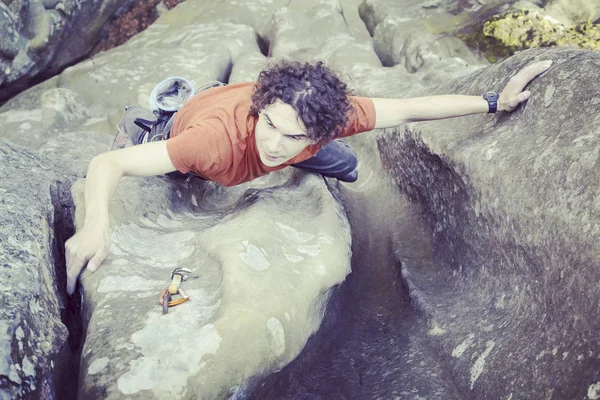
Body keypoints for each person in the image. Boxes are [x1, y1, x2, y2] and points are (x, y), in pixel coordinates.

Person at [65, 58, 552, 295]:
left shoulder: (328, 118)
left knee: (347, 167)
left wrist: (493, 101)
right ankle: (152, 118)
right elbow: (108, 166)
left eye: (295, 136)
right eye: (271, 124)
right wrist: (95, 224)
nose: (274, 143)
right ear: (262, 108)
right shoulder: (209, 145)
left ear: (322, 127)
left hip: (246, 107)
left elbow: (409, 109)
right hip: (200, 121)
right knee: (177, 174)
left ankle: (225, 98)